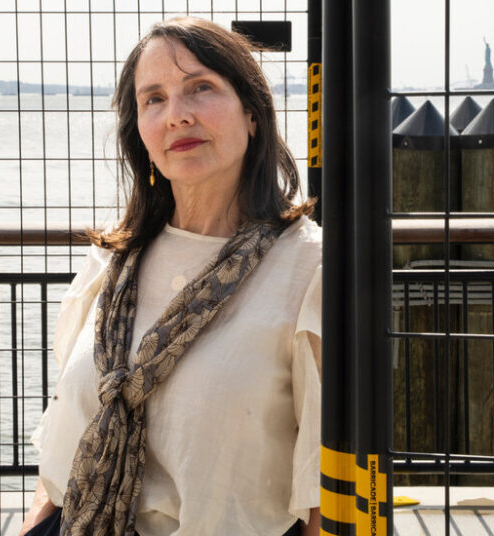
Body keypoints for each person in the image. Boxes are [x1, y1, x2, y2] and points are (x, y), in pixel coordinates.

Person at [20, 17, 321, 536]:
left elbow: (319, 485)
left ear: (252, 114)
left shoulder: (308, 268)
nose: (177, 115)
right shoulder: (113, 260)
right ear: (139, 129)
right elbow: (69, 428)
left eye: (200, 88)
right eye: (153, 99)